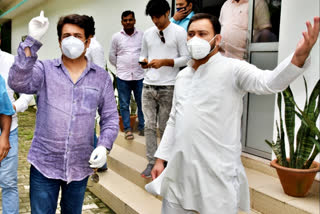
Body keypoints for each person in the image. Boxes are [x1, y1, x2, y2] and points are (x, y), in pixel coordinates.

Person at [146, 13, 319, 214]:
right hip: (180, 171)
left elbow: (269, 82)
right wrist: (161, 159)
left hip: (216, 175)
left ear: (217, 39)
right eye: (191, 34)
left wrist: (298, 58)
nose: (195, 39)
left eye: (203, 34)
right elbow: (174, 120)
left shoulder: (233, 69)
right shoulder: (183, 76)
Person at [8, 11, 119, 214]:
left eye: (77, 36)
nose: (71, 40)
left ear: (88, 42)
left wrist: (104, 145)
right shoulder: (44, 70)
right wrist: (32, 40)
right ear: (59, 42)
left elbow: (110, 116)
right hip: (44, 164)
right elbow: (17, 82)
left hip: (79, 165)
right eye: (66, 36)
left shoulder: (101, 78)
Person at [139, 0, 190, 178]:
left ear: (167, 13)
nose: (155, 21)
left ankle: (165, 161)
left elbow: (186, 58)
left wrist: (165, 62)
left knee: (165, 126)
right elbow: (143, 54)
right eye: (152, 17)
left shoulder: (179, 32)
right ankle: (151, 162)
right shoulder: (148, 33)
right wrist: (144, 62)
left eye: (158, 16)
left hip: (169, 85)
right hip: (148, 84)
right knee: (149, 126)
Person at [0, 38, 34, 214]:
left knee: (8, 182)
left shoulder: (12, 62)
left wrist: (13, 107)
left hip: (9, 130)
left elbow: (27, 92)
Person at [109, 10, 145, 140]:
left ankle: (142, 127)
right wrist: (121, 67)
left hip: (139, 75)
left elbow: (145, 53)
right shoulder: (116, 37)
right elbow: (112, 56)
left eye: (130, 20)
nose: (128, 22)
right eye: (125, 20)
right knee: (124, 104)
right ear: (122, 22)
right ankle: (127, 129)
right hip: (123, 77)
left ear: (134, 20)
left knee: (141, 102)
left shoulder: (142, 35)